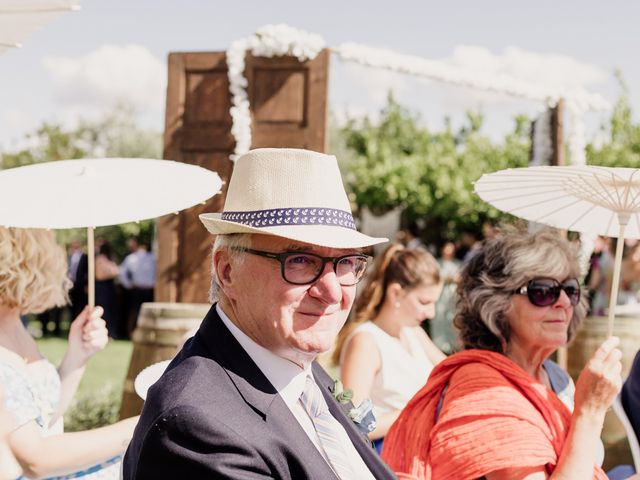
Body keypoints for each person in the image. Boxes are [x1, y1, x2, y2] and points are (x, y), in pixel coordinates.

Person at [123, 148, 397, 479]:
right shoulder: (196, 428)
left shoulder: (296, 369)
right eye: (300, 260)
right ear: (227, 271)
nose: (333, 292)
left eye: (347, 263)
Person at [382, 228, 631, 480]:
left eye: (570, 289)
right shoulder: (481, 391)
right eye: (543, 291)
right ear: (496, 303)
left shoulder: (556, 377)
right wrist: (590, 412)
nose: (564, 302)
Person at [0, 227, 138, 479]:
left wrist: (77, 355)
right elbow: (36, 459)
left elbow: (43, 419)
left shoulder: (14, 323)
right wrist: (140, 426)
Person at [335, 243, 445, 453]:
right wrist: (420, 409)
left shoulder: (413, 332)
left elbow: (450, 372)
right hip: (388, 457)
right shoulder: (366, 341)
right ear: (395, 293)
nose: (431, 313)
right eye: (424, 302)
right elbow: (354, 423)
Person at [119, 238, 155, 336]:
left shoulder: (133, 257)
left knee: (137, 311)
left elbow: (122, 272)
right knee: (141, 312)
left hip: (139, 288)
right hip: (146, 289)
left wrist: (128, 284)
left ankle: (135, 333)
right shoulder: (152, 257)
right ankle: (138, 333)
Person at [431, 241, 460, 353]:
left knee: (452, 320)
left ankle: (453, 347)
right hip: (440, 297)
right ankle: (438, 348)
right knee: (439, 321)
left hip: (453, 298)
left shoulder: (458, 264)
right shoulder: (437, 263)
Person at [95, 241, 120, 338]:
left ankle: (111, 332)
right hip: (102, 288)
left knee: (111, 310)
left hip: (110, 288)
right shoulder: (100, 259)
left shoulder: (110, 259)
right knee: (104, 310)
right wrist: (112, 273)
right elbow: (99, 275)